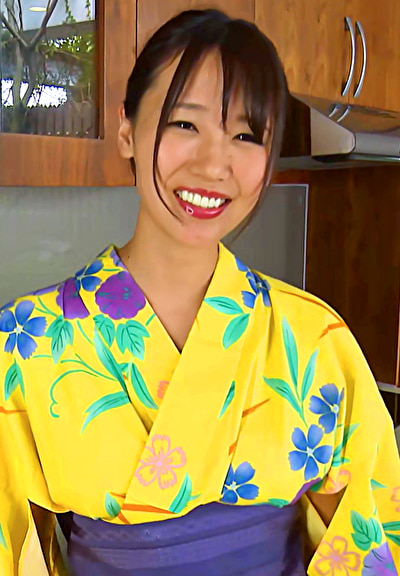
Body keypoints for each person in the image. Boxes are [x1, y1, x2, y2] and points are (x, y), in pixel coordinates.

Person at [0, 8, 399, 576]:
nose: (214, 165)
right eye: (186, 125)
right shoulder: (25, 344)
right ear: (126, 130)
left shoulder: (314, 339)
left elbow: (368, 536)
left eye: (246, 135)